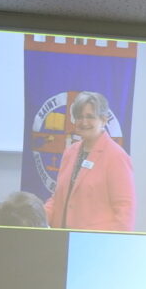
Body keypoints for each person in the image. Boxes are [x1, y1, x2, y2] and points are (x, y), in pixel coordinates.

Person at [44, 91, 135, 231]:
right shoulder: (70, 152)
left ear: (104, 120)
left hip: (95, 244)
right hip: (61, 239)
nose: (84, 122)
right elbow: (58, 199)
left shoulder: (116, 157)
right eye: (79, 117)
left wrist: (113, 245)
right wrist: (36, 218)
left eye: (90, 117)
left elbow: (125, 210)